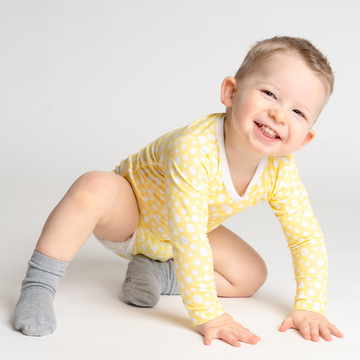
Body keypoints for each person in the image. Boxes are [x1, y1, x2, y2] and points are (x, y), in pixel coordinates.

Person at [14, 36, 344, 347]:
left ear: (305, 139)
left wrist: (311, 304)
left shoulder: (280, 170)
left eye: (298, 112)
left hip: (180, 234)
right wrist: (209, 314)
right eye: (269, 94)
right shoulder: (195, 146)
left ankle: (155, 271)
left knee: (251, 275)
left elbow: (305, 237)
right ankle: (39, 286)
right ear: (231, 92)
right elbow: (189, 236)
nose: (278, 114)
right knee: (94, 186)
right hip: (132, 215)